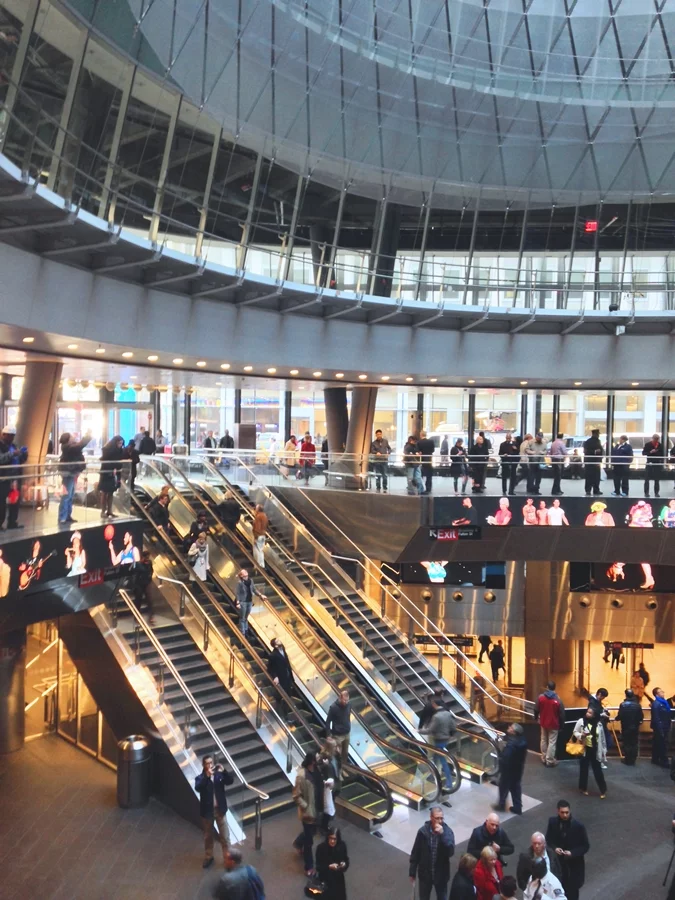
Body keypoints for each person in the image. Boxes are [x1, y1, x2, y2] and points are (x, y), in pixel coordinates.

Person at [194, 754, 234, 869]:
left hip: (220, 810)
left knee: (225, 836)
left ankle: (228, 858)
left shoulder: (218, 776)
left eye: (211, 762)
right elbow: (198, 787)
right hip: (207, 813)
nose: (210, 765)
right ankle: (209, 856)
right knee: (208, 836)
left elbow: (230, 781)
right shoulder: (200, 778)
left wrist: (224, 771)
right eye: (207, 763)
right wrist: (207, 777)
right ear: (203, 765)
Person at [545, 799, 589, 900]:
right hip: (559, 866)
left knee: (572, 894)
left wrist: (572, 853)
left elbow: (585, 846)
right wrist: (555, 848)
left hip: (573, 867)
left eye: (567, 812)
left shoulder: (578, 826)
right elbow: (549, 839)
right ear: (558, 811)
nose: (565, 815)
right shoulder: (552, 822)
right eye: (562, 812)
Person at [409, 806, 456, 900]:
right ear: (431, 818)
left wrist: (442, 835)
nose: (440, 821)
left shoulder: (447, 832)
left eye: (441, 818)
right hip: (425, 875)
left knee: (442, 897)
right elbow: (416, 852)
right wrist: (412, 871)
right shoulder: (423, 832)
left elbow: (450, 852)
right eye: (437, 818)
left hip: (441, 874)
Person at [293, 751, 322, 876]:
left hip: (318, 808)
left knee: (312, 832)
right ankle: (308, 867)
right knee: (309, 841)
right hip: (308, 812)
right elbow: (296, 795)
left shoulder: (316, 770)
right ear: (312, 761)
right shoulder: (301, 776)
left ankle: (298, 842)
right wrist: (306, 807)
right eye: (317, 757)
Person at [420, 698, 457, 794]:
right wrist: (451, 735)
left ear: (435, 704)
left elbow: (430, 730)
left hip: (438, 740)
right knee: (437, 758)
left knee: (442, 760)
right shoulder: (448, 714)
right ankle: (436, 776)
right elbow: (453, 726)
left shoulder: (436, 717)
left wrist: (418, 731)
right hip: (445, 739)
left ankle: (449, 783)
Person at [58, 430, 92, 524]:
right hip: (68, 473)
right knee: (67, 495)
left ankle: (67, 516)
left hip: (72, 472)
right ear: (68, 439)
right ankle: (62, 517)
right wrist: (87, 436)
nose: (73, 437)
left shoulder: (69, 447)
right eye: (71, 437)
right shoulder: (67, 447)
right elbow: (79, 446)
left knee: (70, 495)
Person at [572, 708, 607, 797]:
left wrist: (604, 750)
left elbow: (602, 738)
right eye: (587, 712)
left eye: (590, 713)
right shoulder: (581, 721)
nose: (587, 714)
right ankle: (583, 788)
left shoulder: (599, 724)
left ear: (594, 715)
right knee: (584, 769)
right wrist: (581, 735)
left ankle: (603, 790)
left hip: (595, 750)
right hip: (585, 749)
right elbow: (575, 731)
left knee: (598, 770)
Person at [494, 723, 527, 815]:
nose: (508, 727)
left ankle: (501, 805)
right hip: (518, 768)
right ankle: (517, 807)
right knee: (516, 787)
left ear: (514, 732)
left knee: (503, 787)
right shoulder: (523, 740)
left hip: (508, 770)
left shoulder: (512, 744)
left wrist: (500, 756)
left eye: (510, 727)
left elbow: (506, 757)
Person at [0, 424, 27, 530]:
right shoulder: (2, 446)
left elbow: (20, 459)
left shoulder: (14, 445)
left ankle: (12, 522)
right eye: (10, 435)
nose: (11, 438)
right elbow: (1, 459)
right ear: (4, 435)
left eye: (13, 435)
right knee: (1, 502)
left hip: (15, 477)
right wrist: (12, 454)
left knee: (15, 501)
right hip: (4, 478)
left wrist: (23, 454)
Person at [535, 681, 565, 767]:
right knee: (552, 742)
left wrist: (536, 717)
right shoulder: (558, 700)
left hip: (543, 722)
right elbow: (562, 714)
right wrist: (561, 724)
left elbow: (536, 709)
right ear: (554, 688)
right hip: (554, 724)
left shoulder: (540, 697)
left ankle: (544, 757)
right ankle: (550, 760)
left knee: (543, 739)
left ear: (547, 687)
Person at [315, 827, 349, 900]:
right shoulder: (321, 848)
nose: (332, 841)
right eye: (330, 838)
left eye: (335, 839)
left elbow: (346, 859)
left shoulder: (342, 846)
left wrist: (344, 864)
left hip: (338, 880)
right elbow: (318, 867)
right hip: (325, 880)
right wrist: (329, 867)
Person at [98, 435, 125, 518]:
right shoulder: (107, 450)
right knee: (104, 492)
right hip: (106, 473)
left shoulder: (120, 450)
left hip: (114, 473)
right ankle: (103, 511)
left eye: (121, 443)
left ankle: (109, 510)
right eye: (119, 443)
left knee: (111, 492)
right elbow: (105, 460)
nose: (120, 445)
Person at [267, 636, 294, 717]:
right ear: (275, 645)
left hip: (288, 677)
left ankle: (285, 713)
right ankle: (279, 712)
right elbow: (270, 668)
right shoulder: (273, 655)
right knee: (281, 696)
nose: (280, 641)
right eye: (278, 641)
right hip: (281, 679)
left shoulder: (283, 650)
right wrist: (275, 677)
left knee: (288, 697)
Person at [616, 689, 643, 766]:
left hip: (626, 727)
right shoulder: (638, 705)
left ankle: (627, 760)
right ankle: (633, 759)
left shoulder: (623, 705)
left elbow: (620, 716)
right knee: (634, 743)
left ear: (626, 695)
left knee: (627, 743)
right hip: (635, 727)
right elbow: (641, 716)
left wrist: (616, 718)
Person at [235, 568, 265, 637]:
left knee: (246, 617)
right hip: (243, 602)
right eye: (243, 572)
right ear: (241, 575)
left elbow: (254, 589)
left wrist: (260, 595)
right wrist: (238, 602)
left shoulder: (250, 580)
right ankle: (242, 633)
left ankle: (246, 631)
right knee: (242, 618)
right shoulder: (239, 583)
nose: (245, 572)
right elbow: (238, 593)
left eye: (246, 571)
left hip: (249, 601)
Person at [325, 689, 352, 765]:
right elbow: (328, 721)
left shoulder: (349, 705)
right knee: (337, 754)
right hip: (337, 735)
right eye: (344, 700)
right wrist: (328, 734)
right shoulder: (333, 707)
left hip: (347, 733)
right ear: (340, 698)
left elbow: (348, 715)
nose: (346, 702)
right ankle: (337, 770)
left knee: (345, 753)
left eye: (347, 700)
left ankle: (344, 768)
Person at [651, 686, 672, 768]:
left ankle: (655, 759)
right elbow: (656, 718)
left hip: (663, 726)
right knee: (662, 744)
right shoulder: (656, 704)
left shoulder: (663, 703)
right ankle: (664, 761)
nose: (663, 693)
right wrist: (660, 729)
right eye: (661, 692)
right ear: (657, 694)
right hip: (660, 727)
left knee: (657, 743)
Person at [582, 429, 604, 496]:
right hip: (595, 462)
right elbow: (600, 451)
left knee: (589, 477)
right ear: (596, 434)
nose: (598, 435)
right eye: (598, 434)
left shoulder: (587, 442)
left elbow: (585, 451)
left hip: (588, 462)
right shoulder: (596, 442)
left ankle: (588, 490)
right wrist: (595, 452)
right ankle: (596, 490)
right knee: (596, 477)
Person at [643, 433, 664, 497]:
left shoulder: (660, 445)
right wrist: (650, 452)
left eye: (657, 439)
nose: (656, 440)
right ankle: (646, 493)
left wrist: (657, 453)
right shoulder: (648, 444)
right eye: (655, 439)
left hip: (657, 463)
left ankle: (656, 493)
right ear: (653, 438)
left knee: (657, 479)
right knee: (647, 479)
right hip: (649, 462)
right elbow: (643, 453)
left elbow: (662, 454)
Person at [370, 428, 391, 493]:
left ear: (381, 434)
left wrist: (388, 453)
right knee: (378, 474)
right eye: (378, 434)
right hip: (377, 461)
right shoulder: (374, 443)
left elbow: (389, 448)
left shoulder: (385, 441)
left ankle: (385, 486)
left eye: (380, 434)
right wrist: (376, 453)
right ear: (376, 435)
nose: (379, 435)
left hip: (384, 460)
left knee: (385, 474)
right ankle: (378, 486)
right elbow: (372, 450)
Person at [418, 430, 436, 495]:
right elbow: (433, 450)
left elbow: (418, 451)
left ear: (421, 435)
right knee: (429, 475)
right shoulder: (431, 442)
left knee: (420, 475)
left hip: (422, 460)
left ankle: (420, 487)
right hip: (429, 460)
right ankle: (428, 488)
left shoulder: (419, 442)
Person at [251, 503, 268, 569]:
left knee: (256, 550)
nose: (255, 509)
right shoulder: (264, 516)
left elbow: (257, 528)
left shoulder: (258, 516)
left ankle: (257, 565)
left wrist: (255, 536)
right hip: (263, 535)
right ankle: (261, 565)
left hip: (258, 535)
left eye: (256, 508)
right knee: (260, 550)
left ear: (258, 509)